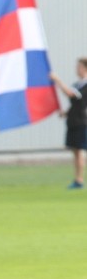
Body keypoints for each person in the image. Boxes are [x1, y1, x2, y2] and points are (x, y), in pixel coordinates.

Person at [50, 58, 87, 189]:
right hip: (72, 122)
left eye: (79, 66)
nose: (77, 69)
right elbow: (75, 104)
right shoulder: (77, 84)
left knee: (80, 151)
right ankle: (77, 179)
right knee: (75, 151)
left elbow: (70, 94)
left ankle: (79, 179)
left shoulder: (85, 85)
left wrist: (57, 80)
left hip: (81, 122)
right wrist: (65, 113)